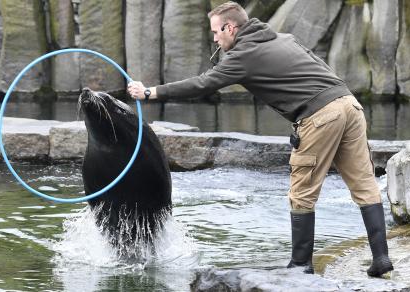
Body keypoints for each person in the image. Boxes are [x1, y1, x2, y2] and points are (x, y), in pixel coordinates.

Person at [127, 1, 394, 277]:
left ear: (230, 28)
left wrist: (150, 92)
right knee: (364, 184)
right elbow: (321, 69)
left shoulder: (242, 56)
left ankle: (301, 267)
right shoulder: (284, 39)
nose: (215, 38)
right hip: (350, 105)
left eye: (217, 32)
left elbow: (203, 83)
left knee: (301, 194)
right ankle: (381, 258)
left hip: (319, 115)